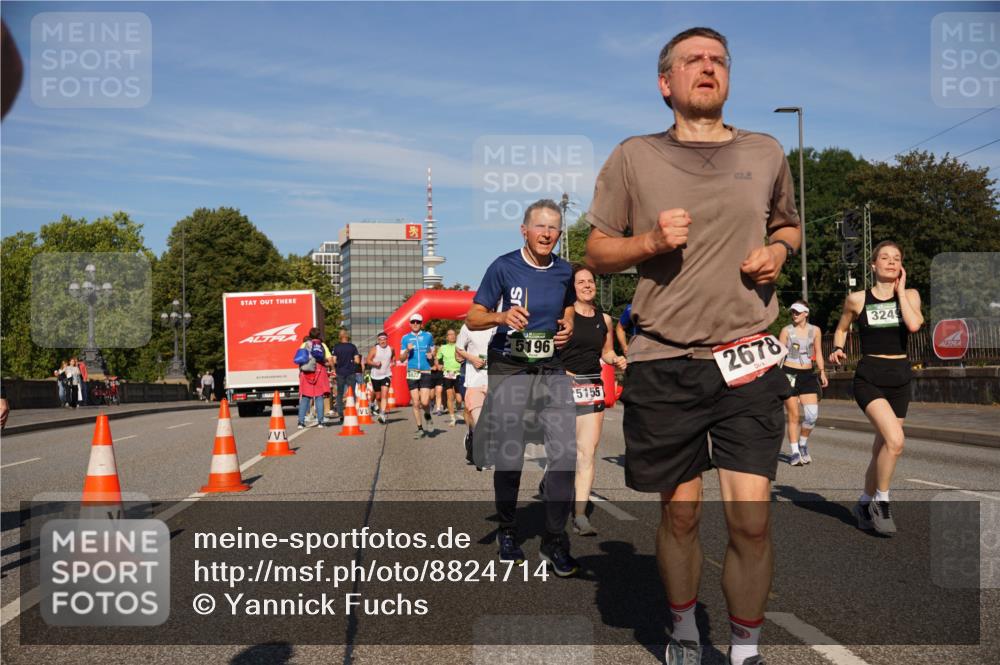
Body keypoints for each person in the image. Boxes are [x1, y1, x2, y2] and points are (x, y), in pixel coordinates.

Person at [584, 27, 801, 665]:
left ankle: (744, 650)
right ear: (665, 83)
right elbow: (597, 250)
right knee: (680, 517)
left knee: (752, 520)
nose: (708, 68)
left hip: (747, 358)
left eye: (719, 60)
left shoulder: (765, 152)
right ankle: (682, 629)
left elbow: (788, 222)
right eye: (692, 60)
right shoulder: (633, 156)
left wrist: (780, 252)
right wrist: (648, 242)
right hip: (663, 357)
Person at [467, 198, 579, 578]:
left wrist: (567, 327)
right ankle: (508, 529)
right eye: (540, 227)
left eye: (554, 228)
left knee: (565, 454)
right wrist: (500, 315)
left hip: (550, 366)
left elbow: (567, 308)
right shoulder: (504, 266)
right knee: (511, 452)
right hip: (510, 365)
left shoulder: (565, 271)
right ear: (524, 231)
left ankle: (554, 538)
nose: (547, 234)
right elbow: (473, 315)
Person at [829, 240, 922, 535]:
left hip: (900, 378)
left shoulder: (910, 296)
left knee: (882, 446)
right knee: (895, 441)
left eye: (897, 258)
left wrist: (900, 292)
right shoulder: (857, 299)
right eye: (885, 257)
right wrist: (837, 347)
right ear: (873, 266)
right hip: (869, 376)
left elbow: (914, 325)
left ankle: (863, 502)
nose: (891, 262)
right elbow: (843, 327)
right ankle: (881, 503)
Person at [557, 265, 627, 537]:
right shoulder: (563, 316)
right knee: (562, 452)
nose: (587, 285)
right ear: (572, 288)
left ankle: (580, 515)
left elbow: (606, 352)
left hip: (592, 386)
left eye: (590, 281)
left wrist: (616, 359)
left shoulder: (604, 319)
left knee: (586, 453)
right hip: (563, 384)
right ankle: (551, 491)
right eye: (581, 282)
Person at [780, 301, 828, 466]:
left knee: (812, 416)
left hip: (807, 374)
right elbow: (779, 354)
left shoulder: (815, 331)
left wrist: (822, 371)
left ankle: (802, 444)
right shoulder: (786, 331)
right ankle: (794, 452)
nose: (794, 314)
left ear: (806, 313)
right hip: (789, 374)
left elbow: (819, 352)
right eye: (793, 312)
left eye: (798, 312)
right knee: (794, 415)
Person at [456, 323, 494, 464]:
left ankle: (474, 437)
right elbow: (458, 349)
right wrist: (471, 358)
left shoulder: (501, 325)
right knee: (479, 421)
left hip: (496, 381)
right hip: (475, 381)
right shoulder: (468, 326)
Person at [400, 313, 436, 438]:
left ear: (421, 324)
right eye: (413, 322)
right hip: (412, 372)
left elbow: (432, 352)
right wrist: (407, 350)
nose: (415, 324)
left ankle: (428, 417)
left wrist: (432, 356)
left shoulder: (428, 336)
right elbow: (401, 358)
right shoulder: (405, 338)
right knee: (415, 403)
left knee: (425, 402)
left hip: (425, 371)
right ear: (410, 324)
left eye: (418, 322)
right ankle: (420, 428)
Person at [297, 328, 332, 429]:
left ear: (309, 335)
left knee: (305, 397)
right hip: (319, 372)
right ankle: (320, 422)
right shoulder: (322, 345)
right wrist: (330, 366)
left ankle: (301, 422)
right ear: (319, 335)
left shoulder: (304, 345)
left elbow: (299, 359)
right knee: (319, 397)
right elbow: (330, 360)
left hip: (306, 372)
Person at [331, 329, 362, 422]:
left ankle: (341, 414)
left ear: (340, 337)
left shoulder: (336, 347)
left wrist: (339, 364)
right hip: (351, 372)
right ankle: (353, 411)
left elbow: (334, 360)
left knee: (340, 393)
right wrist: (352, 362)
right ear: (347, 336)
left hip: (340, 372)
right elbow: (357, 360)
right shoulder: (352, 347)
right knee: (351, 392)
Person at [436, 329, 462, 427]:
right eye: (450, 335)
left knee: (459, 399)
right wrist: (438, 365)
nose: (452, 336)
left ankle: (459, 408)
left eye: (454, 334)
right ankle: (452, 418)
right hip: (447, 374)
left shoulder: (460, 346)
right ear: (447, 337)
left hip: (458, 373)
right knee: (450, 396)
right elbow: (437, 359)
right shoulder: (442, 348)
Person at [367, 332, 395, 424]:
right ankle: (380, 411)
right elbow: (368, 361)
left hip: (387, 375)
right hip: (375, 376)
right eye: (380, 339)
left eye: (384, 339)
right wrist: (375, 363)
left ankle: (382, 413)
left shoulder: (391, 348)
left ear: (387, 340)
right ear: (378, 340)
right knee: (378, 397)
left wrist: (393, 361)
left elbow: (393, 355)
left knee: (384, 394)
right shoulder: (374, 349)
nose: (382, 341)